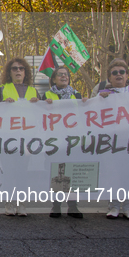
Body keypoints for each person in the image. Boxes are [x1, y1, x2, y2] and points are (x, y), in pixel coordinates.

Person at [99, 60, 129, 220]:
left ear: (127, 75)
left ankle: (128, 207)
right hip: (113, 142)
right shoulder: (104, 94)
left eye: (121, 72)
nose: (118, 75)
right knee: (113, 174)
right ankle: (113, 206)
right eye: (114, 73)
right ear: (109, 78)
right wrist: (99, 99)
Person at [0, 58, 40, 216]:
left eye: (21, 68)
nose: (18, 71)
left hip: (26, 140)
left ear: (25, 72)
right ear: (9, 72)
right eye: (14, 68)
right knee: (8, 171)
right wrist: (1, 105)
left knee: (22, 171)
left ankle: (21, 204)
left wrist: (39, 104)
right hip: (6, 139)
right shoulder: (1, 90)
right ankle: (9, 203)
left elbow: (42, 114)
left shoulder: (34, 92)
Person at [42, 66, 85, 219]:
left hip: (73, 141)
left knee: (72, 173)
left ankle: (73, 206)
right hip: (54, 142)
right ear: (53, 79)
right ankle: (56, 206)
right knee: (56, 174)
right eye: (59, 75)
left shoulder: (77, 95)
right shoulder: (46, 95)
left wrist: (87, 103)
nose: (63, 77)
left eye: (65, 75)